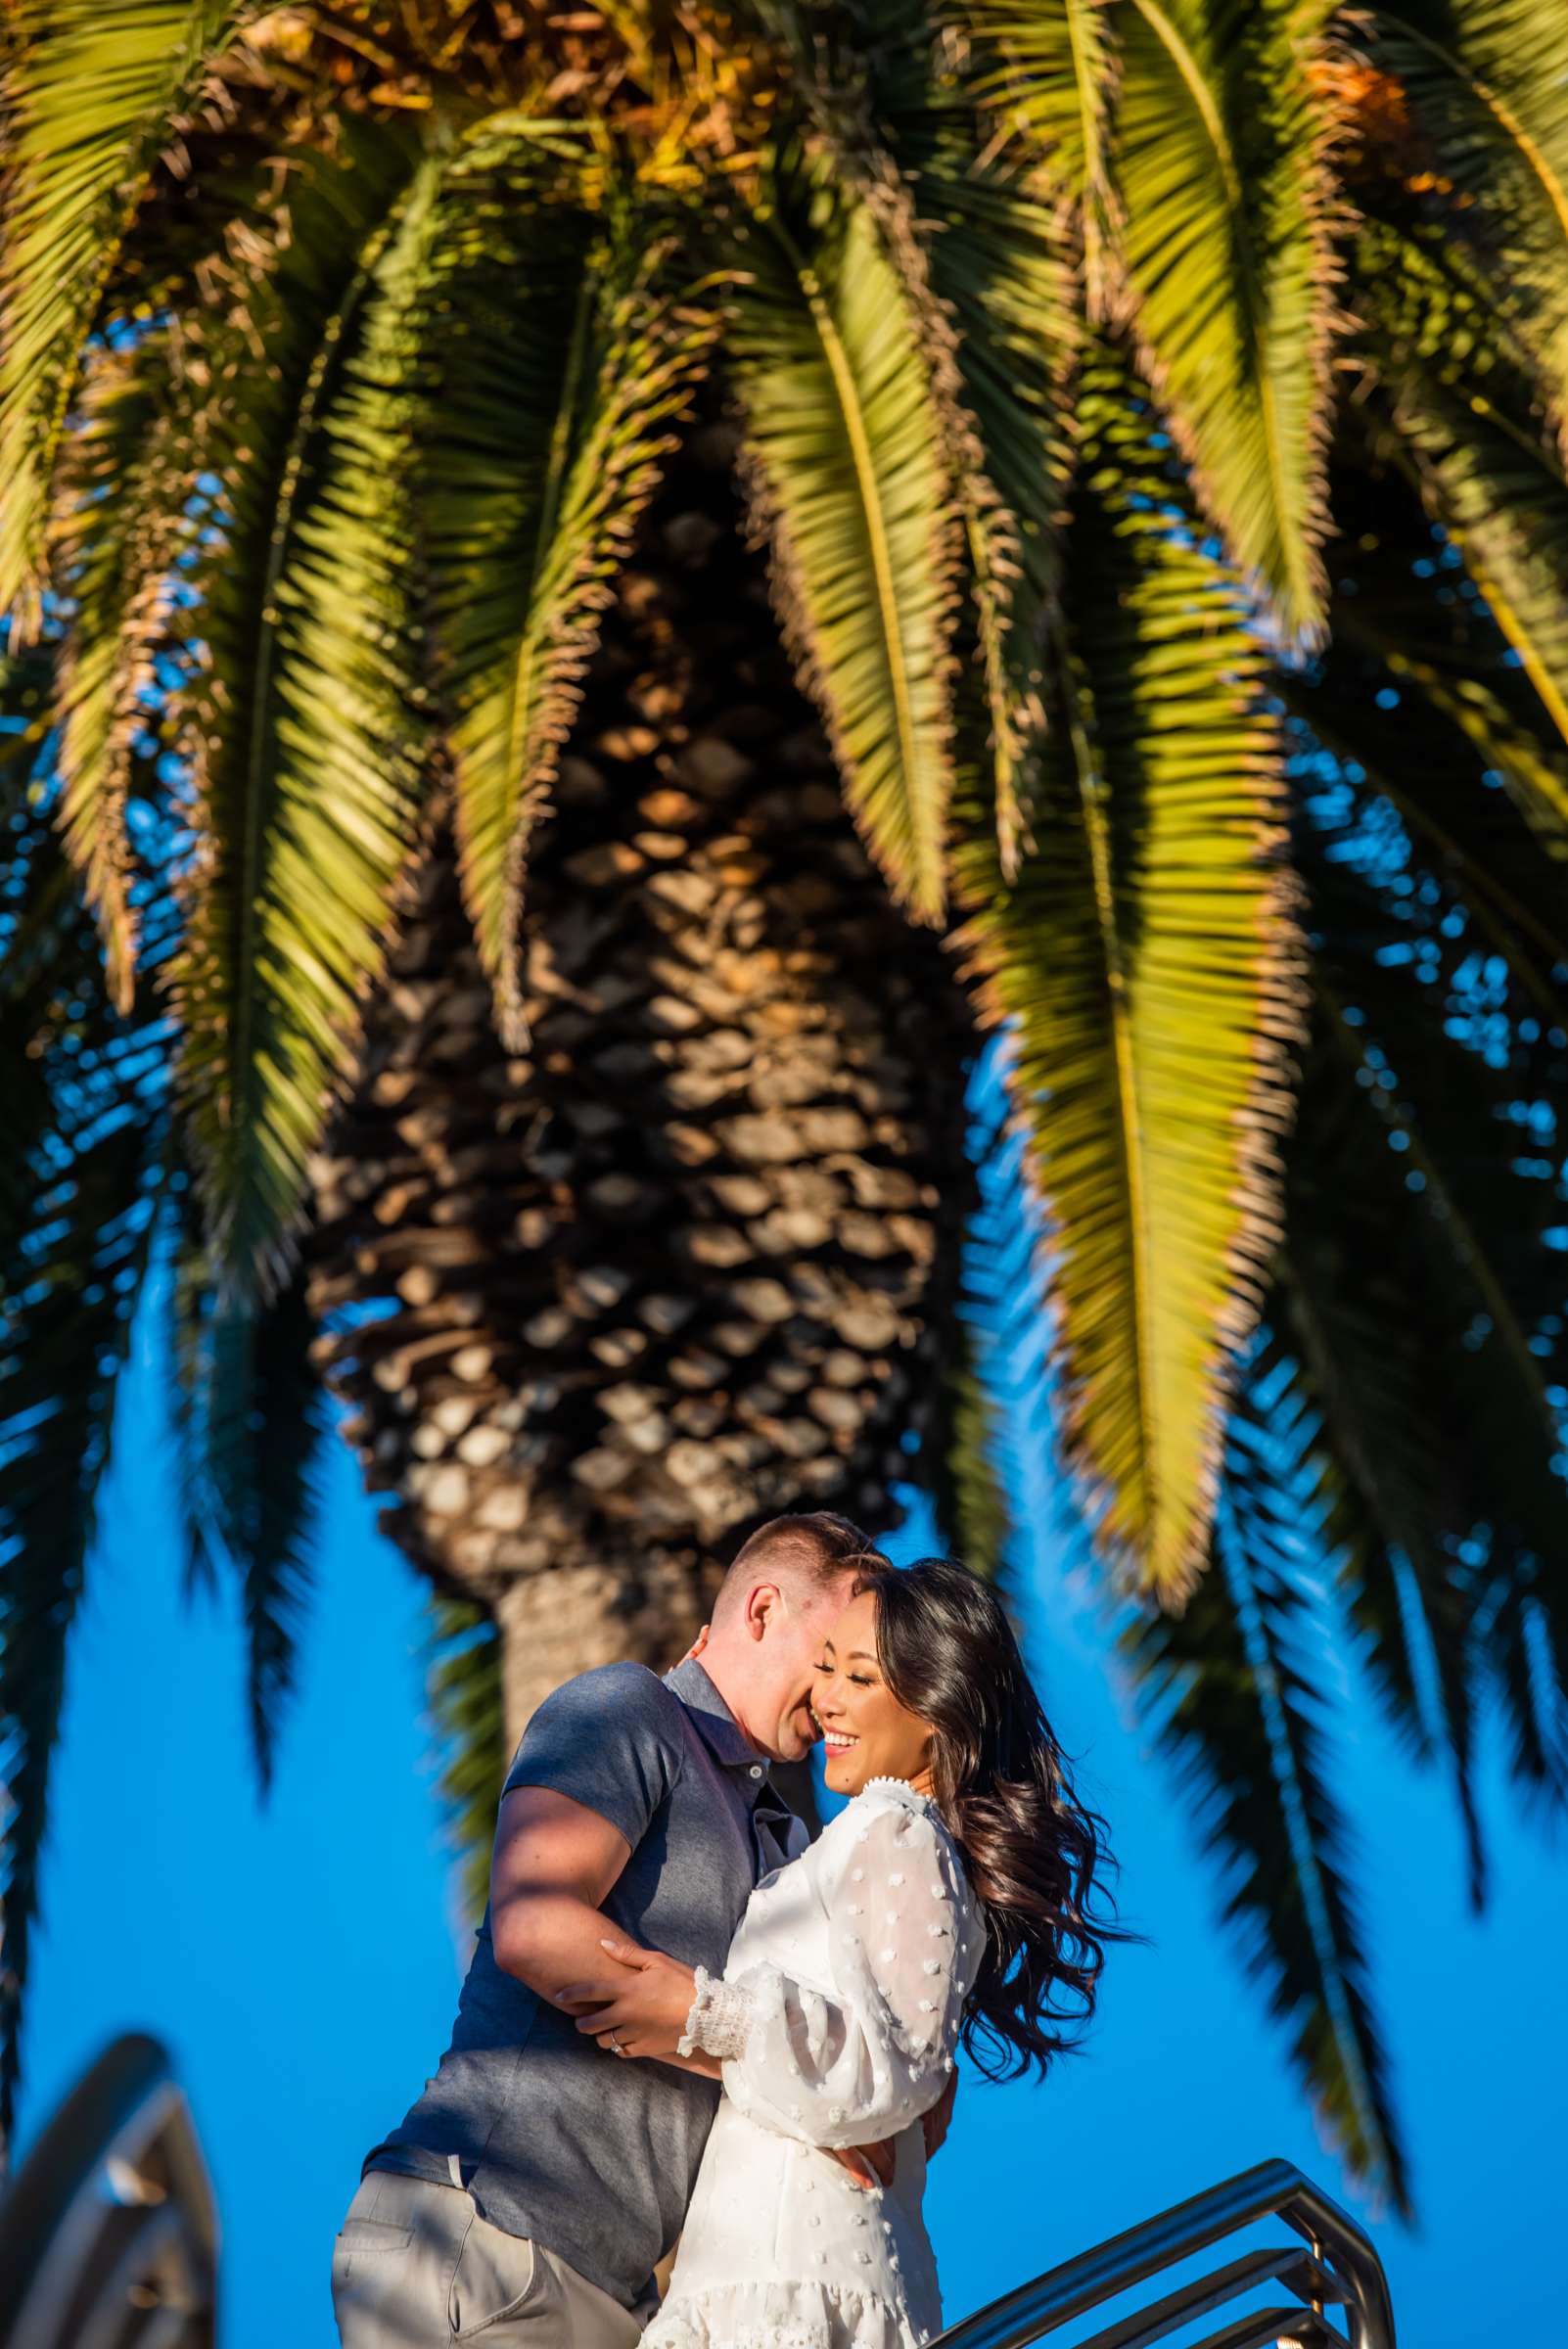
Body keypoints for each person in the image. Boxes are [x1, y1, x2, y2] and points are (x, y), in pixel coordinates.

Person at [333, 1510, 905, 2347]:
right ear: (762, 1610)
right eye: (833, 1654)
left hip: (607, 2299)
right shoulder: (630, 1710)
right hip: (489, 2239)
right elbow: (533, 1928)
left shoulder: (785, 1840)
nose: (840, 1690)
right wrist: (712, 2027)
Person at [559, 1558, 1128, 2349]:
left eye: (858, 1678)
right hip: (779, 2265)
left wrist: (700, 2015)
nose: (827, 1699)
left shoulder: (892, 1827)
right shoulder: (876, 1843)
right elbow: (902, 2066)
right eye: (825, 1668)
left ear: (934, 1708)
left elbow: (890, 2068)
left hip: (794, 2274)